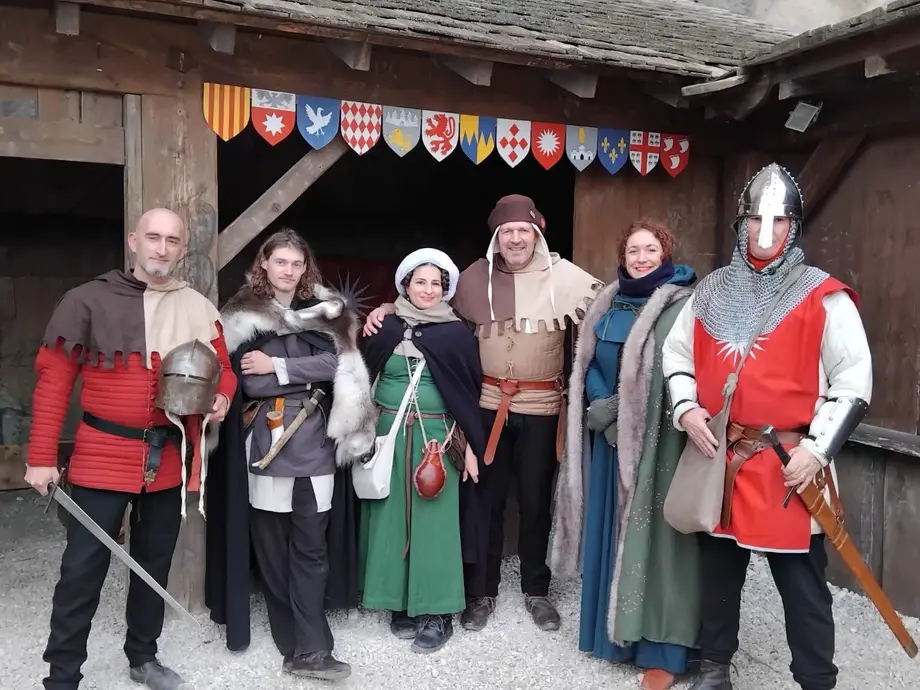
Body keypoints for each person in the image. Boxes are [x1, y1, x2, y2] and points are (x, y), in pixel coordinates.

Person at [661, 163, 873, 690]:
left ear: (793, 228)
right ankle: (715, 668)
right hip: (723, 457)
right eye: (756, 220)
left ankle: (816, 680)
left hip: (789, 462)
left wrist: (817, 451)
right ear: (742, 225)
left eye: (778, 222)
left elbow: (853, 382)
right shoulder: (711, 290)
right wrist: (686, 408)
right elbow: (677, 354)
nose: (765, 232)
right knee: (719, 571)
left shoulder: (824, 296)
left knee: (802, 584)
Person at [365, 195, 602, 631]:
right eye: (507, 231)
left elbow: (606, 313)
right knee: (484, 500)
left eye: (524, 230)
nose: (516, 238)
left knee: (535, 501)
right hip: (488, 404)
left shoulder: (567, 278)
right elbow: (427, 307)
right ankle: (482, 592)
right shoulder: (474, 279)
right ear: (496, 237)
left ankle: (536, 590)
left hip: (541, 404)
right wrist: (386, 307)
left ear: (537, 233)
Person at [24, 208, 237, 690]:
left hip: (167, 456)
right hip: (102, 453)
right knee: (82, 570)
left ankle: (143, 657)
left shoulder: (197, 307)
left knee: (153, 564)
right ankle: (62, 676)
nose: (162, 248)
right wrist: (40, 457)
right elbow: (54, 381)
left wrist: (223, 395)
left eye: (172, 240)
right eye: (153, 237)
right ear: (133, 240)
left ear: (183, 248)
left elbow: (223, 368)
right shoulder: (86, 301)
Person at [205, 229, 375, 680]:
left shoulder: (324, 311)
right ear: (264, 263)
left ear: (305, 268)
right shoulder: (242, 314)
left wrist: (278, 365)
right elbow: (248, 380)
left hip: (315, 445)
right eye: (280, 261)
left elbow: (338, 364)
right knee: (273, 550)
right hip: (266, 445)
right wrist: (298, 374)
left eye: (296, 264)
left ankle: (313, 644)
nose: (288, 271)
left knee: (311, 548)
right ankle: (295, 641)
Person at [552, 220, 700, 690]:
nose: (641, 258)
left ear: (665, 253)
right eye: (633, 250)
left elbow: (682, 370)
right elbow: (591, 361)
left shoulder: (683, 304)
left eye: (650, 249)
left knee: (657, 540)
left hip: (658, 440)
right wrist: (601, 406)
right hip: (608, 439)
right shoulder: (609, 301)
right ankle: (611, 638)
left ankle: (660, 649)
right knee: (609, 529)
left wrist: (623, 411)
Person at [359, 248, 487, 653]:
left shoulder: (456, 334)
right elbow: (361, 376)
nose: (428, 290)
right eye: (420, 282)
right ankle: (399, 601)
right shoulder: (384, 326)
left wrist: (469, 447)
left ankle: (436, 611)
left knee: (434, 523)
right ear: (406, 286)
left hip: (436, 438)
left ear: (445, 290)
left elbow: (467, 393)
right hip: (388, 435)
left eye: (436, 283)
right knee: (390, 517)